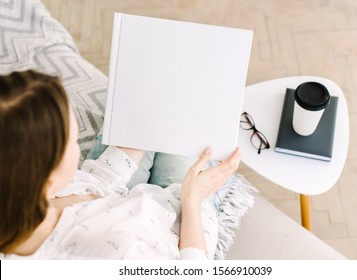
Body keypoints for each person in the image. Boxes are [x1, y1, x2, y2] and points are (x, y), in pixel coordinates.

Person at [0, 70, 241, 259]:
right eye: (73, 141)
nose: (76, 143)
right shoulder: (119, 255)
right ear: (47, 183)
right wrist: (192, 200)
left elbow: (93, 187)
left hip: (119, 200)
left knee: (150, 101)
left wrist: (140, 134)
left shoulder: (23, 198)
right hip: (183, 226)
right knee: (189, 110)